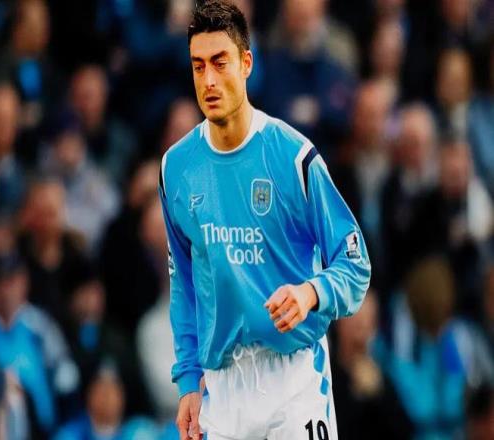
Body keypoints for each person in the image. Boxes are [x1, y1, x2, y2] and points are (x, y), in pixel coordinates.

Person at [158, 2, 371, 439]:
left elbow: (355, 264)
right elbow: (183, 282)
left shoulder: (293, 157)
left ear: (246, 63)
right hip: (222, 389)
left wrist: (310, 293)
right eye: (198, 66)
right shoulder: (176, 168)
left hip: (294, 378)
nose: (208, 80)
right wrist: (188, 380)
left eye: (220, 63)